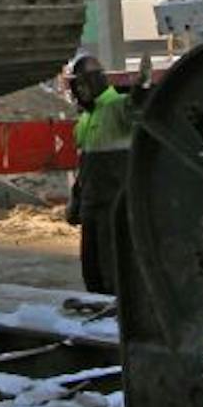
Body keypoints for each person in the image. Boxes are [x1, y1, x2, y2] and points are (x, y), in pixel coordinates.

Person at [65, 53, 137, 296]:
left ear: (95, 82)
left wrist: (144, 87)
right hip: (91, 205)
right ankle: (97, 305)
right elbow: (84, 165)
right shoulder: (85, 119)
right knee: (92, 268)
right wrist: (76, 200)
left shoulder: (117, 106)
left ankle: (115, 314)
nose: (80, 92)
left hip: (113, 206)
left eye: (83, 85)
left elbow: (136, 108)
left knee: (112, 268)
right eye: (77, 87)